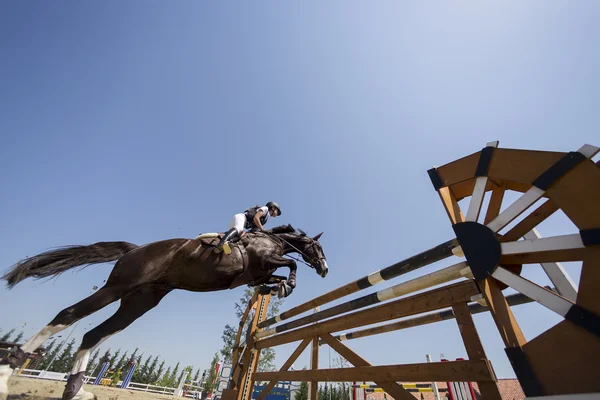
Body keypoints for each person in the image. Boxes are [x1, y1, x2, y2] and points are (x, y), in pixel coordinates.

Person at [214, 201, 282, 254]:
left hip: (243, 224)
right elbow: (256, 218)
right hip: (241, 217)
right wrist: (262, 229)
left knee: (243, 236)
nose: (277, 213)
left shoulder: (265, 219)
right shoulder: (265, 209)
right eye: (277, 211)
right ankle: (220, 244)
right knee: (239, 229)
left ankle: (227, 243)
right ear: (273, 208)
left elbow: (254, 230)